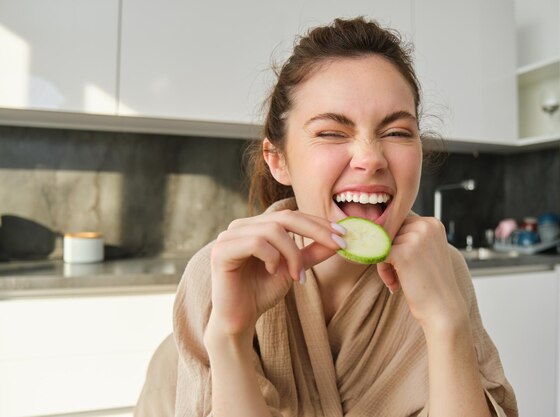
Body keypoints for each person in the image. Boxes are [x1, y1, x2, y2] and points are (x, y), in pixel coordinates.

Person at [171, 17, 517, 417]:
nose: (370, 159)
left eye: (398, 132)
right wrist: (230, 336)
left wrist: (446, 324)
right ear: (278, 160)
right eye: (332, 133)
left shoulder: (441, 267)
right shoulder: (218, 275)